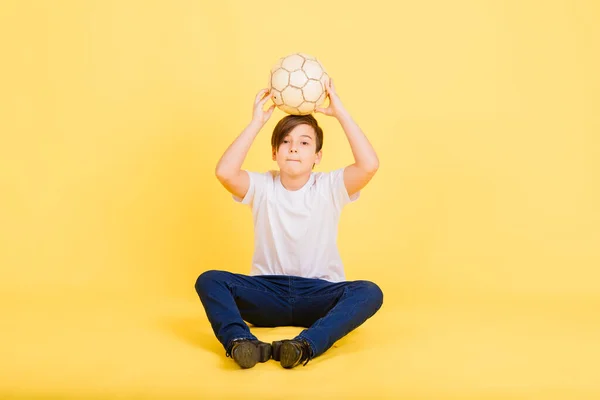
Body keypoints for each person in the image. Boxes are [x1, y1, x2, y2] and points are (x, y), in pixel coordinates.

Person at [195, 78, 383, 369]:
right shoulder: (262, 186)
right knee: (209, 280)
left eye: (304, 143)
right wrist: (257, 122)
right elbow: (224, 172)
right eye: (285, 142)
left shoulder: (329, 186)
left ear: (317, 156)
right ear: (274, 153)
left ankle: (304, 345)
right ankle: (240, 342)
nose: (293, 148)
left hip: (319, 295)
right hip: (267, 293)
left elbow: (369, 165)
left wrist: (341, 113)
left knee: (369, 291)